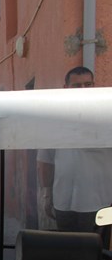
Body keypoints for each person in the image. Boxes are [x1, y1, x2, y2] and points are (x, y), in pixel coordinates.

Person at [37, 66, 112, 232]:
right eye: (77, 86)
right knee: (68, 251)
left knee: (98, 252)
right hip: (63, 202)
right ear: (66, 88)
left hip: (103, 204)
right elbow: (46, 160)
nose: (83, 89)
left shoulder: (108, 115)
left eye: (88, 84)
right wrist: (46, 195)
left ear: (94, 85)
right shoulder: (54, 119)